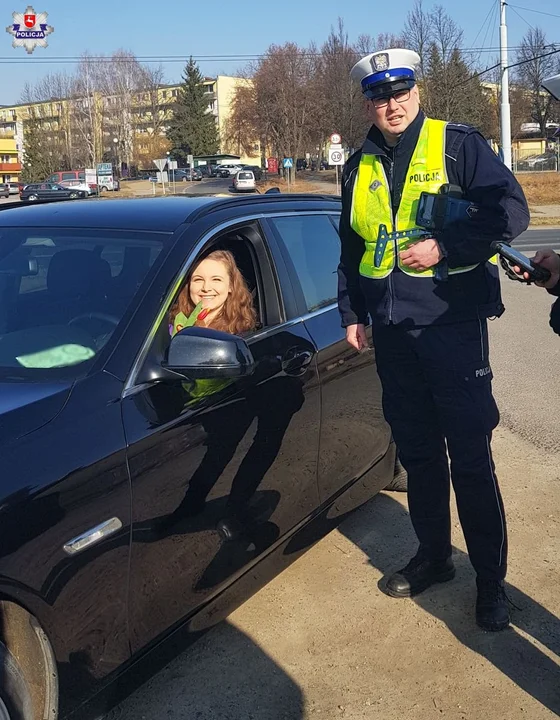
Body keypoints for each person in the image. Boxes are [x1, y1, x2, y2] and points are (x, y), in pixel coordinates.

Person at [338, 48, 530, 631]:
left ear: (416, 92)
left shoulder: (457, 144)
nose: (391, 105)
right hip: (393, 331)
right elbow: (351, 247)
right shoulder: (356, 166)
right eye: (378, 97)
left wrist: (446, 247)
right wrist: (354, 312)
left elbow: (510, 212)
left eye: (399, 93)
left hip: (450, 325)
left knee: (470, 457)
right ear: (367, 104)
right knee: (419, 454)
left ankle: (492, 583)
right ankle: (433, 557)